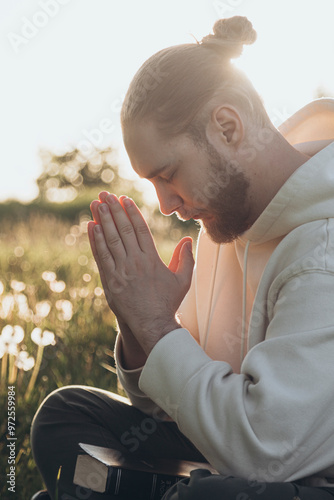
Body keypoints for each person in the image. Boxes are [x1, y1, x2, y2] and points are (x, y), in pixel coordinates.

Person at [30, 16, 334, 500]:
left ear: (228, 127)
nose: (166, 204)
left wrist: (158, 326)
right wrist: (137, 324)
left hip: (301, 476)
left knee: (203, 497)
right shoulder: (225, 226)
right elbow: (177, 411)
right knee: (66, 416)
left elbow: (268, 452)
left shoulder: (322, 247)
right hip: (234, 459)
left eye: (168, 174)